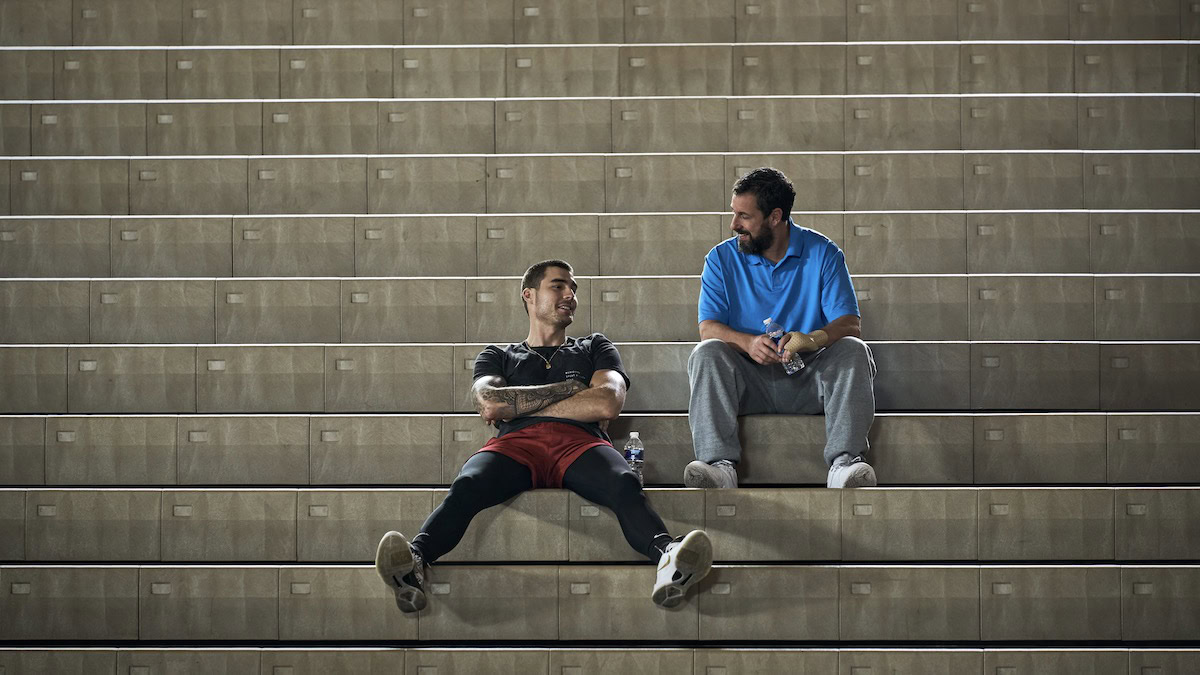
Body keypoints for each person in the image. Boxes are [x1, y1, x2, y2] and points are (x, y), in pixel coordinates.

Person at [376, 259, 713, 612]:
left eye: (573, 288)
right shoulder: (498, 356)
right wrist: (571, 390)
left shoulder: (595, 347)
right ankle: (414, 562)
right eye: (558, 286)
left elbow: (608, 402)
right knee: (468, 484)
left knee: (622, 481)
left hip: (580, 444)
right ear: (529, 295)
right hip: (515, 447)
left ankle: (669, 558)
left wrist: (521, 404)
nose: (571, 294)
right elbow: (490, 404)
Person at [684, 167, 878, 489]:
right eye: (734, 214)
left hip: (808, 380)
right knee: (707, 353)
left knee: (854, 350)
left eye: (744, 217)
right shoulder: (720, 259)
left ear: (775, 217)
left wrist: (813, 338)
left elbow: (850, 324)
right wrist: (746, 343)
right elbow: (708, 328)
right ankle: (719, 466)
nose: (734, 225)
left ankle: (844, 464)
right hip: (747, 383)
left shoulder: (824, 254)